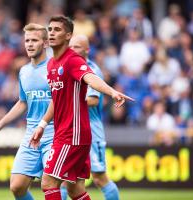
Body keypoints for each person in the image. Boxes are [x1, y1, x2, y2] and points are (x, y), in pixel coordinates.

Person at [29, 15, 133, 200]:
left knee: (48, 183)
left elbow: (91, 79)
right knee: (74, 190)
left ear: (68, 36)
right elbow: (56, 99)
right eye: (50, 29)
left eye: (57, 30)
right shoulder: (52, 64)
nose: (52, 33)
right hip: (66, 132)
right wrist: (42, 125)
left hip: (72, 134)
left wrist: (112, 92)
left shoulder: (73, 60)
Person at [0, 23, 58, 200]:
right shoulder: (24, 71)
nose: (30, 44)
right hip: (31, 134)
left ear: (45, 43)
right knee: (17, 187)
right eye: (27, 40)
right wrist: (0, 124)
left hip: (55, 133)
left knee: (52, 184)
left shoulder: (55, 68)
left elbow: (59, 100)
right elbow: (23, 102)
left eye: (34, 40)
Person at [60, 34, 119, 200]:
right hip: (71, 130)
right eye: (70, 46)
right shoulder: (66, 67)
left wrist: (65, 104)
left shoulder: (92, 70)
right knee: (65, 179)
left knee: (100, 178)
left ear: (87, 50)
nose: (72, 50)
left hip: (91, 130)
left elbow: (92, 100)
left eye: (77, 47)